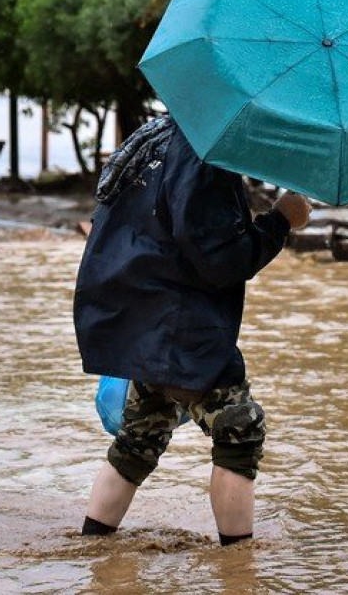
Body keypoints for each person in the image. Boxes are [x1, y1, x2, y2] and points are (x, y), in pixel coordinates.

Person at [73, 115, 312, 545]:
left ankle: (92, 549)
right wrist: (280, 221)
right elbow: (221, 259)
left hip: (142, 317)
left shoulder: (155, 138)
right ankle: (238, 570)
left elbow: (173, 228)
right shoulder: (206, 156)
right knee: (239, 429)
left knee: (138, 440)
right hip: (181, 327)